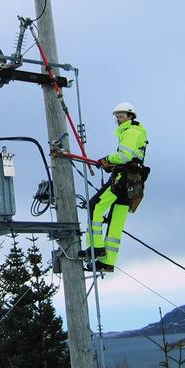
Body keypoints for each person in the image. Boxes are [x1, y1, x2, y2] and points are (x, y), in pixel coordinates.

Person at [80, 102, 149, 272]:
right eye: (117, 116)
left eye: (122, 115)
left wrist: (108, 159)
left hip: (123, 179)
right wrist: (111, 163)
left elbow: (124, 156)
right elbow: (131, 158)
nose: (118, 119)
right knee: (116, 220)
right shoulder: (136, 131)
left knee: (94, 206)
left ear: (130, 116)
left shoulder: (131, 132)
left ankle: (95, 248)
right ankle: (107, 261)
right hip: (133, 182)